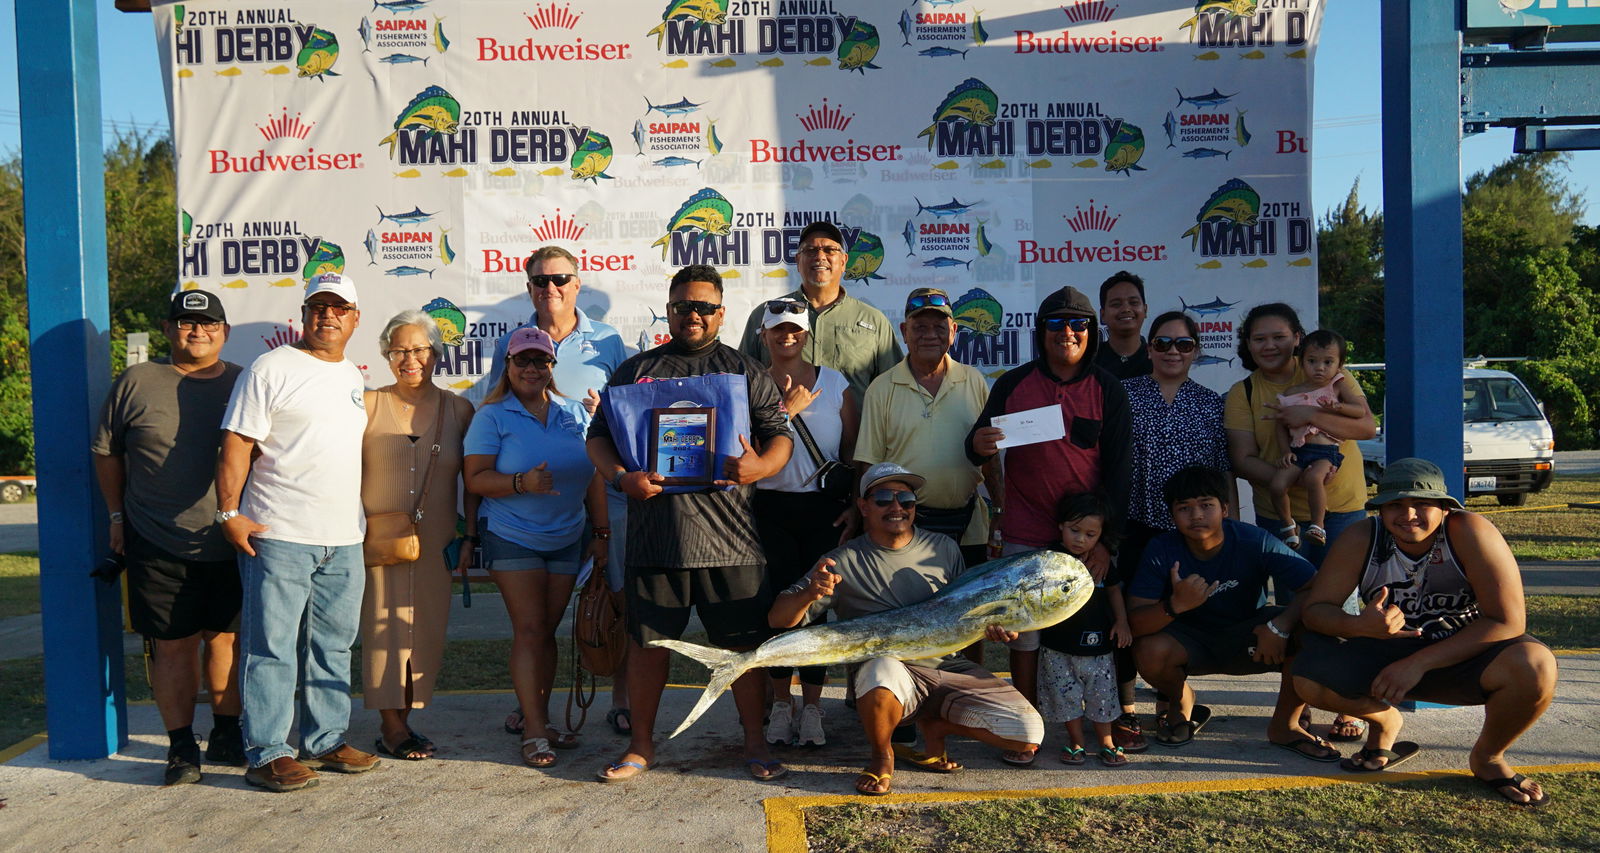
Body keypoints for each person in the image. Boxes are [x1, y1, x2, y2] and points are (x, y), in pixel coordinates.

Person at [587, 264, 794, 783]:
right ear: (670, 309)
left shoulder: (744, 370)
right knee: (648, 647)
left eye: (705, 306)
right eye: (684, 306)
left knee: (742, 650)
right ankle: (641, 746)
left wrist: (761, 467)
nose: (694, 315)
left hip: (732, 539)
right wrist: (620, 478)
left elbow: (779, 435)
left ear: (721, 313)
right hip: (658, 538)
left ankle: (754, 741)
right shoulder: (635, 371)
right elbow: (598, 437)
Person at [1293, 458, 1558, 805]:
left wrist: (1419, 662)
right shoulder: (1363, 536)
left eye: (1422, 503)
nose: (1408, 514)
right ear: (1381, 509)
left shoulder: (1470, 531)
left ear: (1446, 508)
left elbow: (1508, 620)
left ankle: (1489, 758)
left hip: (1463, 652)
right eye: (1395, 505)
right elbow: (1316, 610)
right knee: (1308, 677)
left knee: (1535, 665)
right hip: (1384, 651)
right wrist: (1357, 625)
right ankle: (1385, 722)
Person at [769, 463, 1044, 796]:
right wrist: (811, 593)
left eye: (907, 498)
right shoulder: (840, 560)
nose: (896, 506)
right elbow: (778, 620)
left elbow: (968, 612)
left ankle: (935, 727)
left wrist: (993, 629)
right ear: (863, 507)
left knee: (1028, 735)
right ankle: (881, 756)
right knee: (881, 665)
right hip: (886, 674)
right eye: (883, 498)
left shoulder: (944, 548)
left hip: (947, 668)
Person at [217, 272, 379, 792]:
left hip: (344, 537)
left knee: (332, 646)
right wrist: (228, 513)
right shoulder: (272, 367)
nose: (327, 315)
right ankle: (266, 751)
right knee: (271, 647)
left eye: (339, 307)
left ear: (355, 318)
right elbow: (237, 443)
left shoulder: (354, 376)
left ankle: (326, 740)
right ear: (304, 313)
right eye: (318, 306)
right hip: (280, 532)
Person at [966, 284, 1130, 753]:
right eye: (1056, 324)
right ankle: (1026, 726)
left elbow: (1120, 472)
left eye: (1078, 324)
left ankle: (1102, 719)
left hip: (1085, 538)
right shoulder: (1013, 384)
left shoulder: (1107, 388)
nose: (1068, 333)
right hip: (1027, 530)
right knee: (1025, 638)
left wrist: (1106, 542)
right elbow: (976, 444)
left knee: (1092, 632)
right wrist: (977, 445)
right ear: (1041, 332)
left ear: (1091, 331)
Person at [91, 290, 245, 786]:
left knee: (227, 639)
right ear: (167, 328)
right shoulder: (137, 381)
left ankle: (226, 731)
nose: (196, 331)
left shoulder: (245, 382)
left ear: (224, 331)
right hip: (156, 541)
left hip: (231, 539)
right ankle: (181, 748)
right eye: (185, 322)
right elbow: (106, 452)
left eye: (206, 323)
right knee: (174, 647)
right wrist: (117, 517)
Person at [484, 246, 633, 737]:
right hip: (537, 504)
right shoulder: (511, 343)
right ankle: (534, 708)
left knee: (617, 598)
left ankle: (623, 699)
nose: (551, 288)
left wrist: (605, 412)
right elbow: (493, 405)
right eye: (541, 281)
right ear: (529, 288)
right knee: (537, 620)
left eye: (561, 279)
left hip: (603, 489)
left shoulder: (609, 341)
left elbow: (630, 415)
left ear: (577, 284)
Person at [1224, 303, 1376, 742]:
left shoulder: (1330, 373)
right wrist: (1287, 479)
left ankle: (1348, 700)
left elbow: (1367, 425)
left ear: (1297, 338)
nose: (1269, 346)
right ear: (1247, 345)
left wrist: (1308, 416)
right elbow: (1241, 459)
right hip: (1280, 519)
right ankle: (1300, 701)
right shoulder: (1244, 393)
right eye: (1258, 338)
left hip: (1344, 510)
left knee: (1345, 607)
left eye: (1278, 336)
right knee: (1298, 607)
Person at [1125, 466, 1338, 762]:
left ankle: (1286, 724)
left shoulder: (1255, 540)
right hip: (1190, 639)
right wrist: (1175, 605)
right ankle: (1179, 700)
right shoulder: (1161, 548)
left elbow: (1316, 588)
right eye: (1184, 508)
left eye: (1206, 505)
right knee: (1149, 649)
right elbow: (1134, 623)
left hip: (1248, 635)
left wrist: (1278, 627)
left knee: (1307, 630)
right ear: (1172, 516)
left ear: (1225, 509)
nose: (1196, 515)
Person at [465, 327, 606, 769]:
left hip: (568, 536)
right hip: (512, 533)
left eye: (540, 361)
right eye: (522, 360)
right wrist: (520, 483)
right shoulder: (492, 416)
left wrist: (601, 534)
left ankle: (534, 715)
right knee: (530, 630)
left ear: (552, 367)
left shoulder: (573, 412)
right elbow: (474, 478)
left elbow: (596, 475)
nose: (531, 368)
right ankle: (533, 730)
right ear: (507, 366)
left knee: (546, 631)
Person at [359, 310, 477, 761]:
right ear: (387, 355)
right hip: (375, 542)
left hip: (436, 543)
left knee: (421, 629)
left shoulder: (459, 409)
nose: (410, 359)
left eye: (419, 349)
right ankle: (391, 727)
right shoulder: (367, 404)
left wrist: (469, 535)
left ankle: (403, 720)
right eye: (400, 350)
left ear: (436, 353)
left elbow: (476, 474)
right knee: (380, 632)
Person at [1117, 310, 1235, 752]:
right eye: (1163, 343)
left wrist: (1232, 529)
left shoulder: (1210, 402)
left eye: (1183, 344)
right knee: (1131, 620)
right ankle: (1125, 709)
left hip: (1195, 535)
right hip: (1137, 526)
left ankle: (1175, 703)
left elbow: (1222, 475)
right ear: (1149, 348)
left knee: (1186, 617)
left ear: (1196, 351)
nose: (1173, 352)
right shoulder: (1123, 395)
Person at [752, 297, 859, 748]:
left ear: (807, 333)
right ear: (764, 336)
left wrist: (856, 505)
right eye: (778, 330)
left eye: (795, 328)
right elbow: (745, 448)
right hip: (768, 509)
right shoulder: (750, 384)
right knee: (776, 608)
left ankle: (813, 705)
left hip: (823, 511)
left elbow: (855, 453)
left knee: (817, 609)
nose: (787, 336)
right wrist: (786, 411)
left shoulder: (837, 385)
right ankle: (781, 702)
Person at [857, 288, 997, 569]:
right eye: (919, 327)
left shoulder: (974, 380)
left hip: (969, 527)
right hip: (906, 530)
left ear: (954, 331)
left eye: (939, 326)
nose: (929, 334)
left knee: (969, 609)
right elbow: (867, 465)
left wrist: (1001, 508)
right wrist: (868, 523)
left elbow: (990, 455)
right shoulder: (881, 388)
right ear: (904, 331)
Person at [738, 220, 902, 404]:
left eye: (830, 250)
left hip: (855, 433)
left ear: (844, 261)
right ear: (798, 260)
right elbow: (742, 384)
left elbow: (894, 391)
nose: (820, 256)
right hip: (782, 430)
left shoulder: (873, 321)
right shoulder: (767, 314)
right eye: (810, 250)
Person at [1036, 493, 1131, 768]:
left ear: (1100, 535)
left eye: (1090, 534)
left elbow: (1113, 590)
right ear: (1060, 527)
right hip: (1057, 646)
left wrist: (1121, 621)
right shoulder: (1050, 559)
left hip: (1099, 647)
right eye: (1074, 530)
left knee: (1102, 696)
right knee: (1065, 698)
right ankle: (1076, 741)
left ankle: (1107, 742)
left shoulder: (1101, 561)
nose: (1080, 539)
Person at [1269, 330, 1364, 550]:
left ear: (1339, 366)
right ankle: (1288, 526)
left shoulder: (1337, 386)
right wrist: (1285, 451)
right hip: (1299, 450)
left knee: (1314, 478)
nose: (1319, 367)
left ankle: (1317, 526)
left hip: (1326, 452)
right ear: (1301, 362)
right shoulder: (1292, 392)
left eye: (1328, 362)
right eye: (1312, 361)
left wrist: (1338, 407)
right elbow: (1280, 426)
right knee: (1277, 484)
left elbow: (1360, 411)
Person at [1093, 271, 1152, 380]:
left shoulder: (1158, 359)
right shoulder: (1088, 362)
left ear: (1145, 310)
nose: (1126, 309)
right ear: (1102, 315)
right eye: (1116, 304)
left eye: (1133, 302)